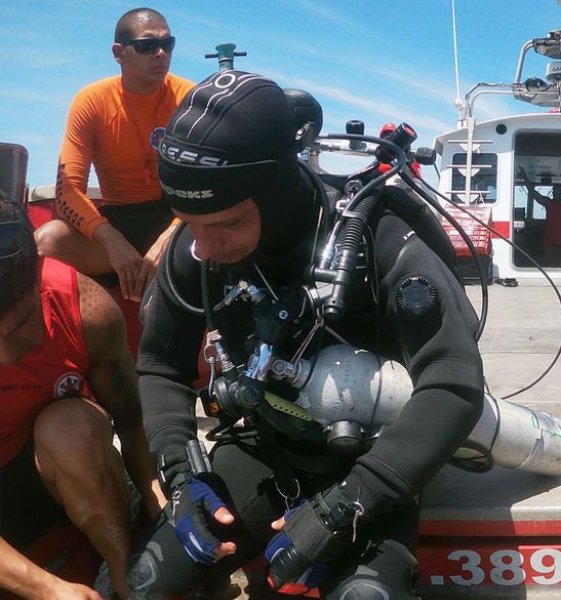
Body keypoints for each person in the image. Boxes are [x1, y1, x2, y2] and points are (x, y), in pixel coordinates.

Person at [126, 71, 484, 599]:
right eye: (187, 222)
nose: (203, 245)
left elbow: (454, 383)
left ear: (275, 192)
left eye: (224, 224)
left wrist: (351, 502)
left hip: (374, 457)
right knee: (148, 580)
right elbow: (160, 365)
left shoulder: (376, 235)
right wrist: (180, 475)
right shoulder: (195, 246)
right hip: (266, 442)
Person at [0, 195, 163, 599]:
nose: (6, 355)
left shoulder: (86, 310)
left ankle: (128, 579)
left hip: (47, 475)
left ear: (39, 277)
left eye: (20, 324)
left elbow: (132, 420)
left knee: (72, 426)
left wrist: (162, 506)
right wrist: (49, 590)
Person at [35, 7, 193, 302]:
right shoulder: (92, 101)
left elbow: (205, 186)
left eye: (167, 44)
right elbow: (68, 190)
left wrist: (169, 237)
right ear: (119, 53)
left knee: (226, 239)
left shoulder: (191, 99)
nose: (161, 53)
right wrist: (111, 240)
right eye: (147, 46)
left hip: (177, 217)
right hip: (118, 221)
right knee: (48, 240)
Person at [517, 167, 561, 265]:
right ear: (552, 192)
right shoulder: (548, 202)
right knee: (548, 263)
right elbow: (532, 192)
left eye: (559, 190)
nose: (556, 192)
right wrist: (524, 177)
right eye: (555, 190)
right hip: (549, 238)